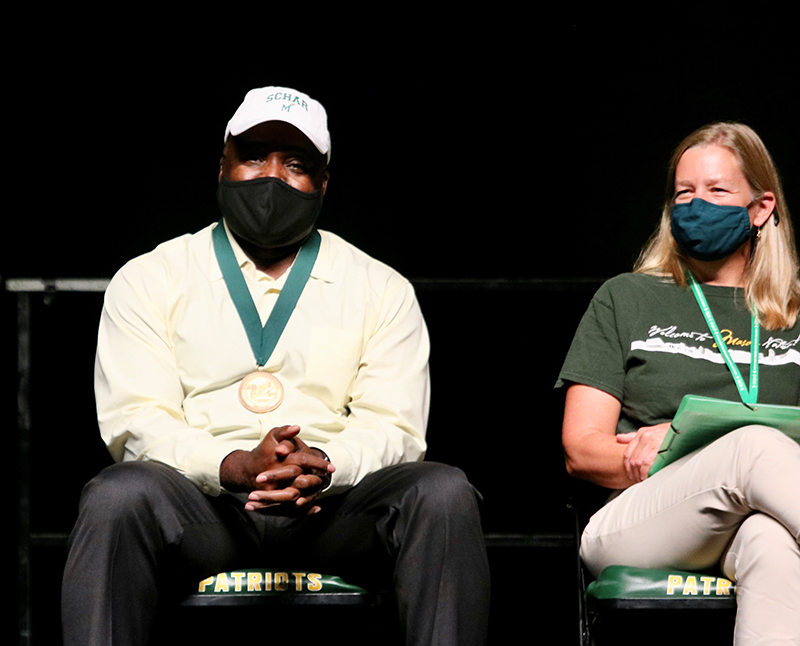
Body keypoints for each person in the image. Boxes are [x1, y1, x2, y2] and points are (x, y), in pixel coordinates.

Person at [61, 86, 490, 646]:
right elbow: (139, 420)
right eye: (254, 156)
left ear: (324, 184)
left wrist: (325, 463)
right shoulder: (150, 277)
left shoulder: (381, 287)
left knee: (444, 493)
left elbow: (396, 428)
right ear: (222, 164)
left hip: (332, 511)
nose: (271, 178)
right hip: (206, 509)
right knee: (116, 495)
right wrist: (235, 464)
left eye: (296, 164)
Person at [559, 122, 800, 644]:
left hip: (757, 518)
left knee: (772, 544)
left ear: (760, 209)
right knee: (755, 444)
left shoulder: (796, 313)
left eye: (716, 191)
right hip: (642, 518)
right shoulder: (627, 298)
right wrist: (651, 452)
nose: (696, 204)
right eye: (684, 192)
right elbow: (580, 449)